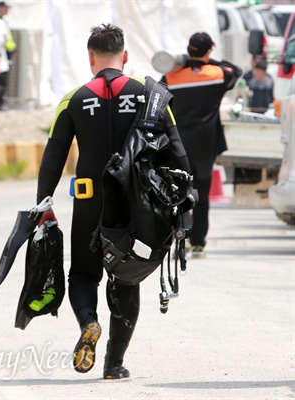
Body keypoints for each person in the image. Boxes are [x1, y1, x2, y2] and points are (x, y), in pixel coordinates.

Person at [36, 24, 190, 379]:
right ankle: (113, 364)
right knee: (126, 279)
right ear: (125, 57)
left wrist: (44, 207)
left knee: (84, 273)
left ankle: (88, 323)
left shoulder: (72, 99)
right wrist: (186, 198)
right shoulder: (149, 95)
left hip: (90, 201)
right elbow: (176, 150)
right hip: (136, 203)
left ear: (90, 57)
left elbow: (52, 160)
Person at [161, 32, 242, 258]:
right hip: (206, 146)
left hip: (179, 146)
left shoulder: (172, 77)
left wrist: (184, 63)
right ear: (209, 51)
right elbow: (235, 70)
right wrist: (208, 62)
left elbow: (158, 92)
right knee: (203, 195)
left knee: (180, 193)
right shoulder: (216, 74)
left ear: (188, 50)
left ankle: (182, 239)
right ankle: (198, 244)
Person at [0, 1, 17, 94]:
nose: (7, 10)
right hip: (2, 53)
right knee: (1, 78)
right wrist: (12, 49)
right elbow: (4, 39)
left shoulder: (2, 20)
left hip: (5, 52)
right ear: (0, 8)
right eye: (6, 8)